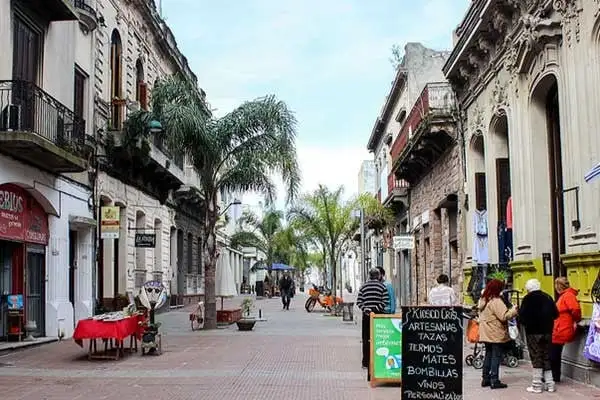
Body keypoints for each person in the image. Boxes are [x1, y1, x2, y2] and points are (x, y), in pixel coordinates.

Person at [518, 278, 558, 393]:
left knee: (536, 356)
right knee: (546, 356)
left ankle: (537, 385)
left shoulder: (527, 299)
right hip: (547, 332)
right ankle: (550, 384)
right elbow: (556, 314)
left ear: (528, 289)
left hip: (533, 333)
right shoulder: (548, 297)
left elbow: (522, 318)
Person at [478, 278, 518, 389]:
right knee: (496, 356)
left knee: (488, 355)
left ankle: (485, 378)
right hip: (495, 332)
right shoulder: (496, 301)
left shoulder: (484, 299)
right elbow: (503, 316)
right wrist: (514, 310)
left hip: (486, 332)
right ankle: (494, 380)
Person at [356, 268, 389, 376]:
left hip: (366, 316)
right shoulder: (382, 287)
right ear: (378, 276)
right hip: (379, 316)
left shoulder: (363, 287)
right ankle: (377, 361)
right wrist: (375, 309)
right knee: (378, 338)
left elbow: (359, 302)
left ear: (369, 275)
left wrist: (367, 309)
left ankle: (366, 362)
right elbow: (385, 301)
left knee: (366, 339)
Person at [551, 277, 582, 383]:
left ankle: (554, 376)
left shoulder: (567, 296)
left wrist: (575, 320)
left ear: (559, 286)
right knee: (555, 353)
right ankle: (554, 376)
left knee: (554, 353)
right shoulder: (565, 295)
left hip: (562, 329)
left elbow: (576, 310)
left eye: (556, 285)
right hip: (560, 328)